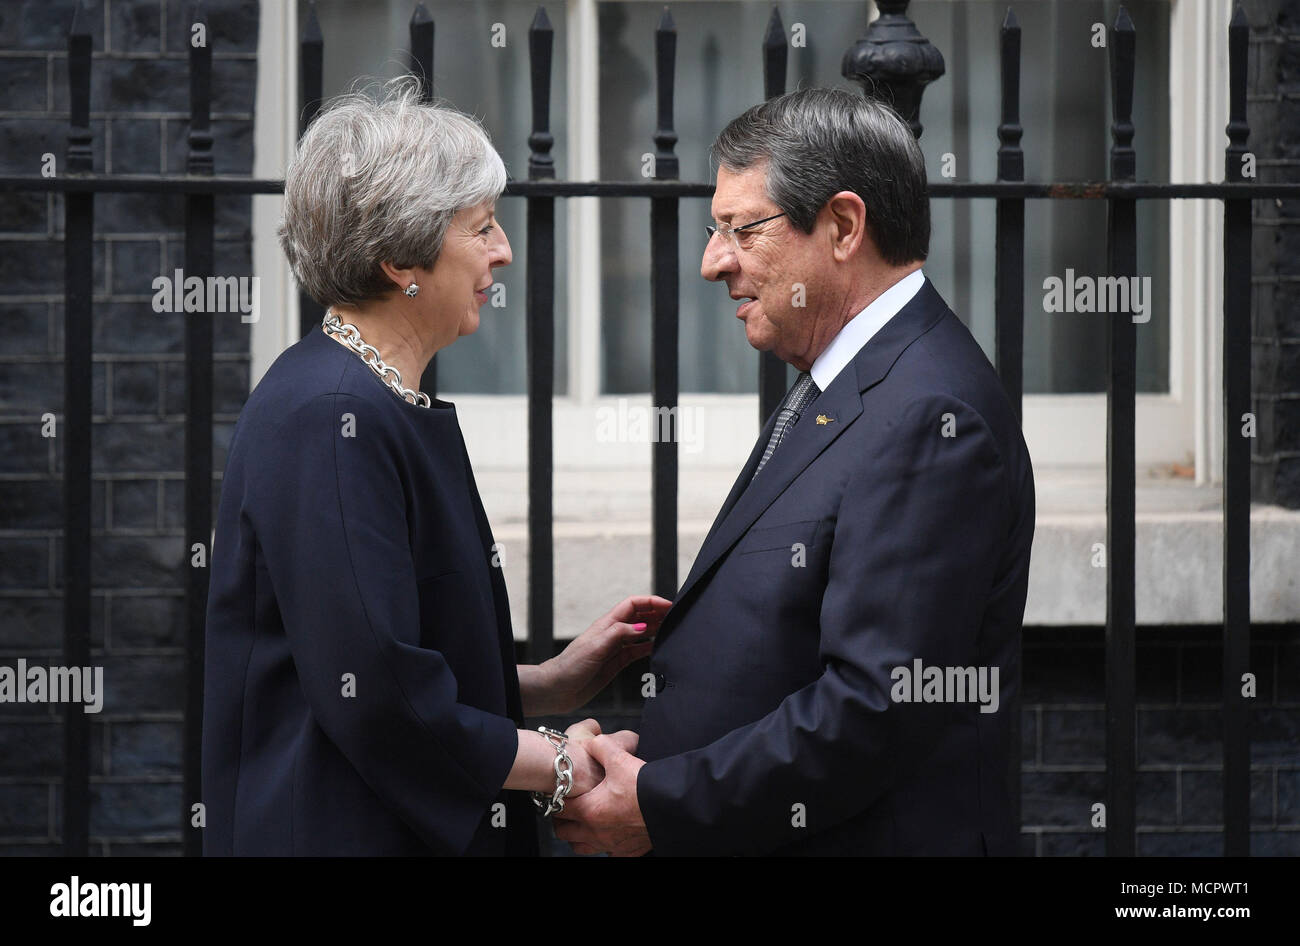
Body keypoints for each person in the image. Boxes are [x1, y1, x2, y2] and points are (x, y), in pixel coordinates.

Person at [555, 88, 1037, 856]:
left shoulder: (928, 415)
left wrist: (662, 801)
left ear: (844, 226)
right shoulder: (848, 376)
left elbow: (874, 708)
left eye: (742, 229)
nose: (714, 262)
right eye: (716, 230)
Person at [201, 78, 668, 856]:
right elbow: (378, 698)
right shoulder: (331, 416)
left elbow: (370, 659)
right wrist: (562, 765)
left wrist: (548, 681)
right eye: (481, 227)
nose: (503, 250)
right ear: (398, 258)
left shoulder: (370, 399)